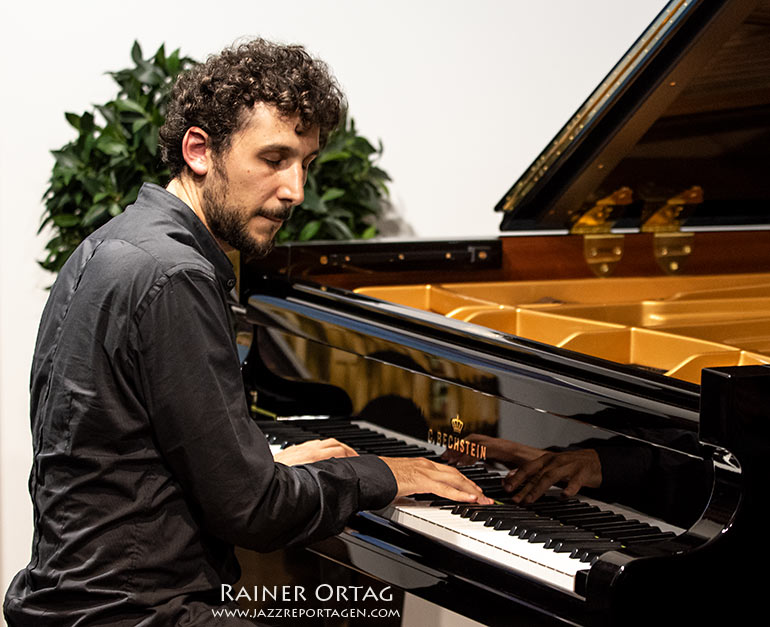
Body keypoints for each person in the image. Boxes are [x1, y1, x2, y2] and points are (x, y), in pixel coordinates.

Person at [3, 39, 491, 626]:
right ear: (199, 150)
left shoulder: (108, 246)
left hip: (71, 600)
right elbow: (254, 512)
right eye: (273, 159)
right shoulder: (176, 275)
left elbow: (146, 455)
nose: (296, 191)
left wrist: (267, 465)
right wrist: (385, 473)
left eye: (305, 164)